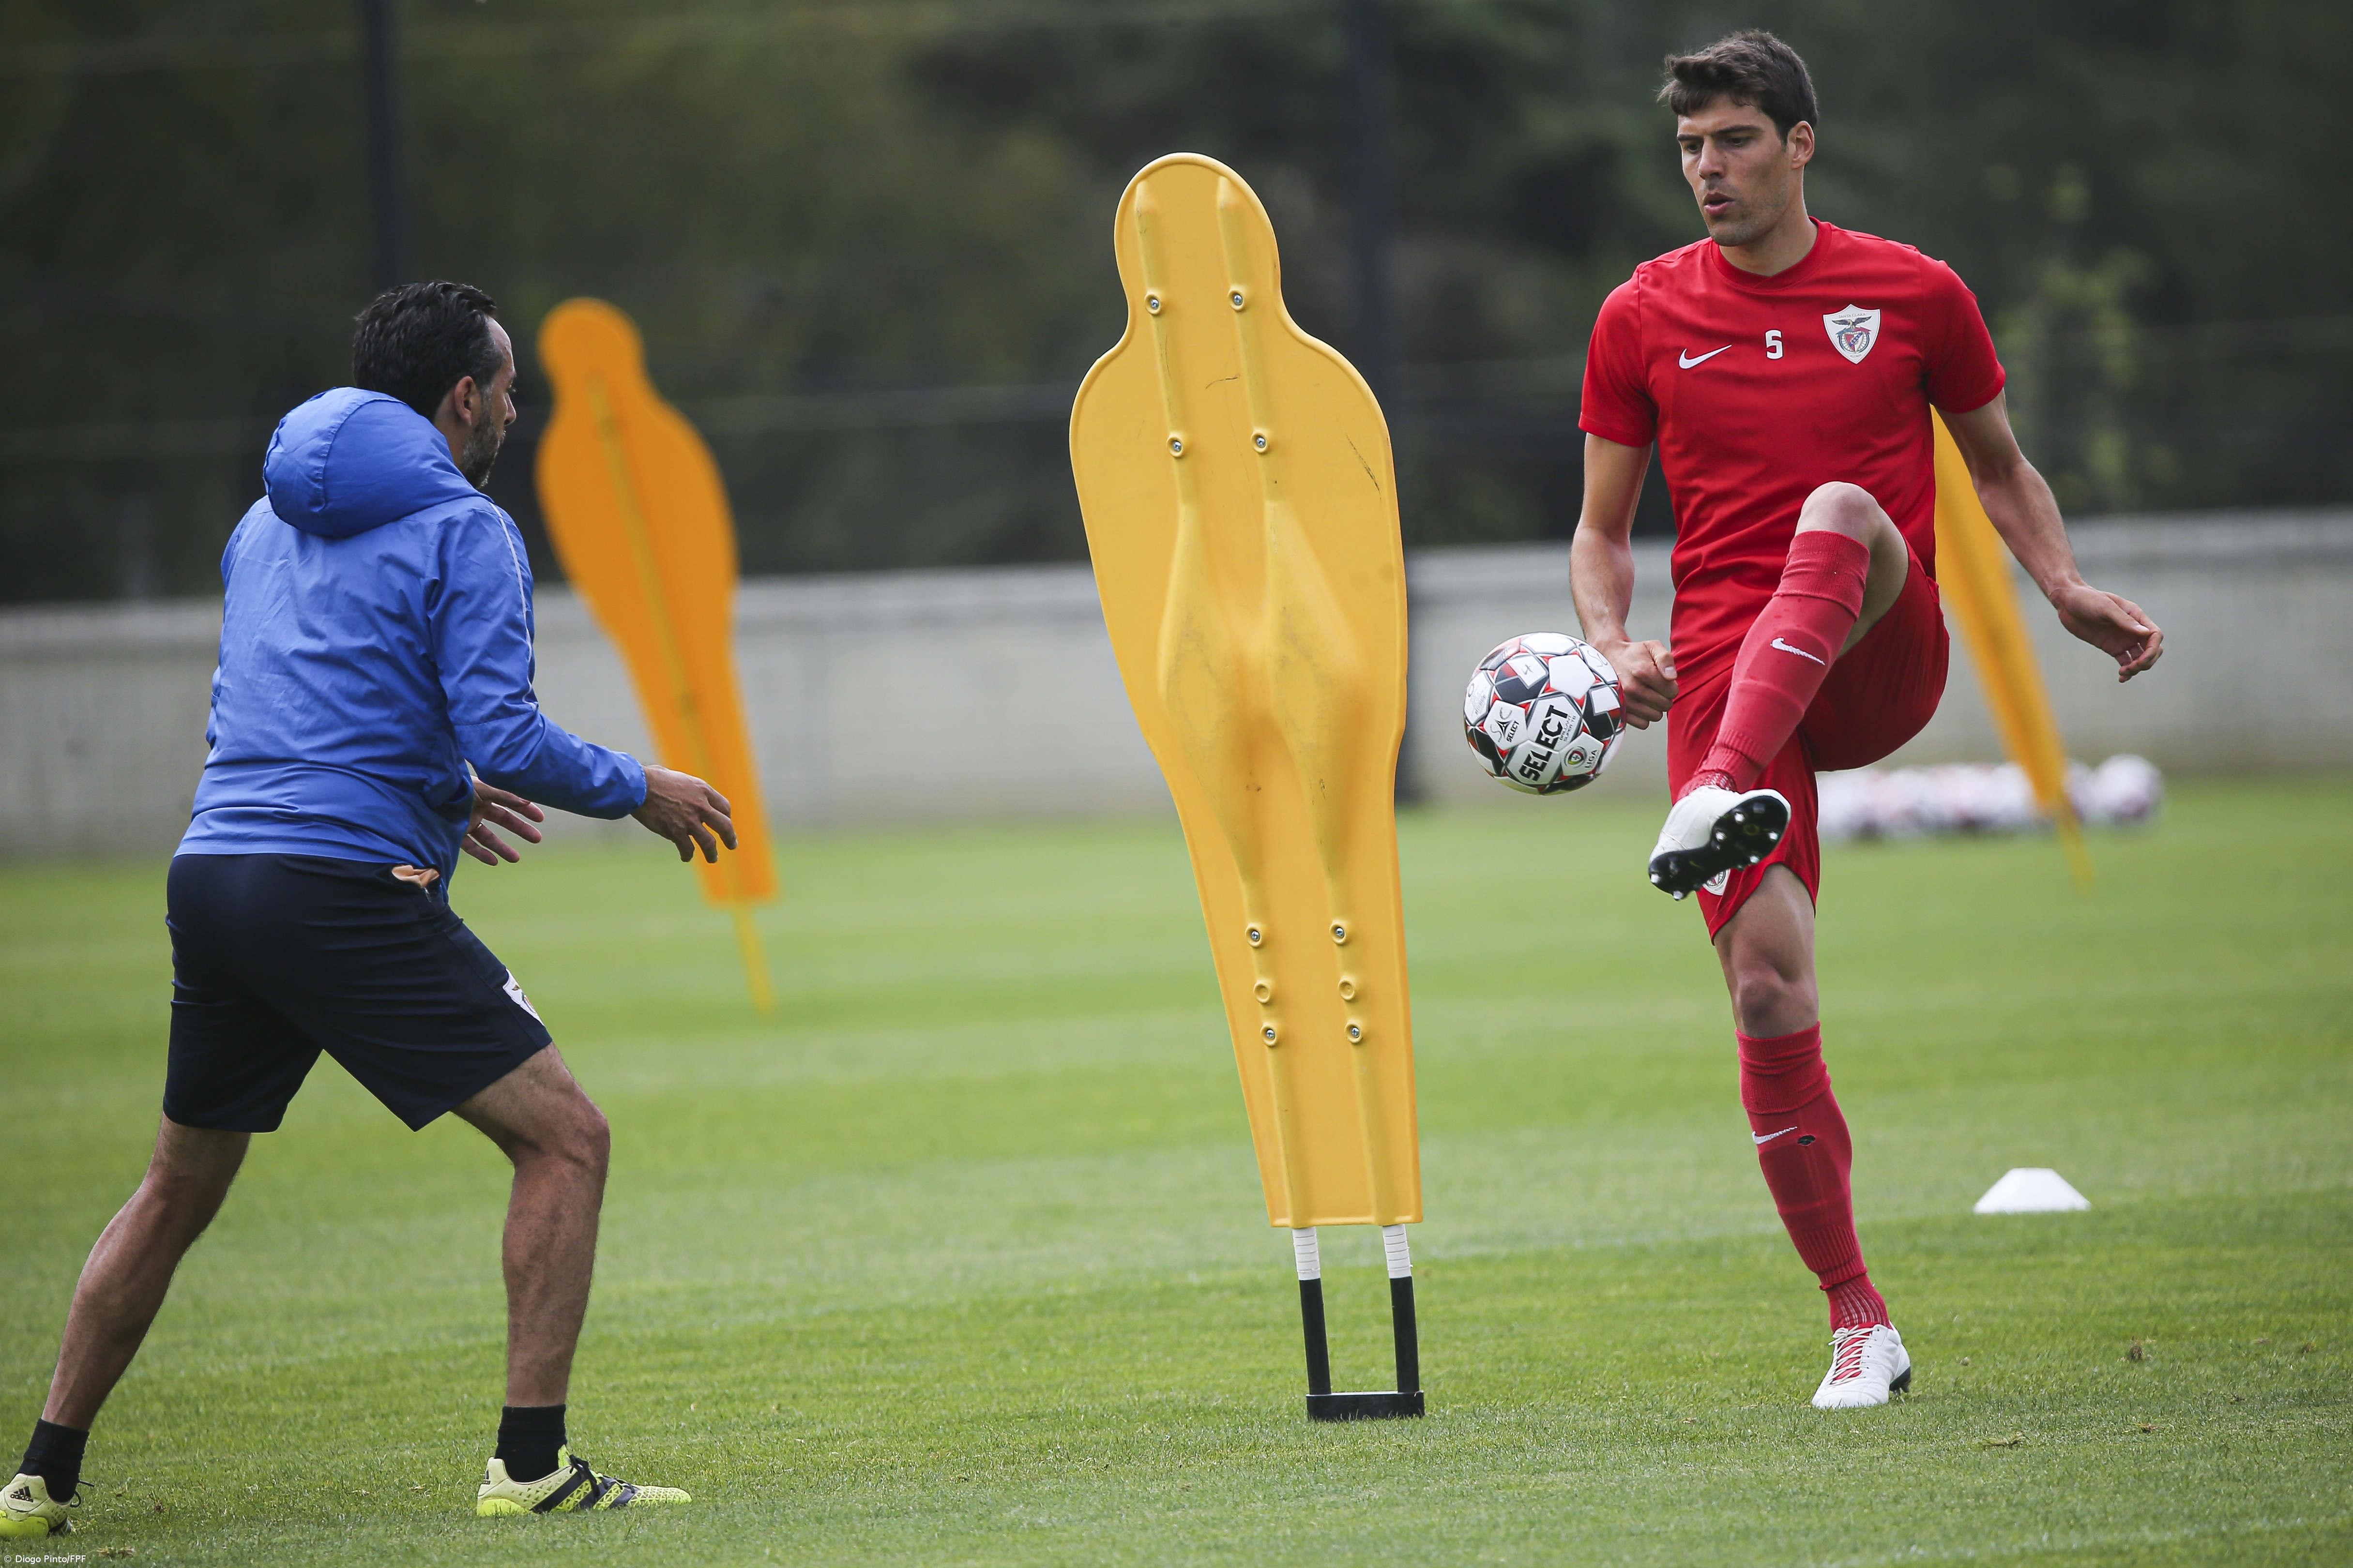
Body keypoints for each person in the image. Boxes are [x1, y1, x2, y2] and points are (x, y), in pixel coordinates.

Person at [1, 282, 739, 1537]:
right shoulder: (468, 530)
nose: (516, 403)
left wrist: (441, 790)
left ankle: (36, 1481)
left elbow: (296, 708)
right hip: (341, 890)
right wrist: (642, 788)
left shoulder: (262, 523)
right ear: (463, 397)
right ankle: (531, 1467)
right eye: (507, 384)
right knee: (569, 1139)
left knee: (178, 1185)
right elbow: (506, 729)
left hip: (218, 873)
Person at [1570, 33, 2162, 1408]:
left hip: (1879, 650)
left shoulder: (1912, 293)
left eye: (1731, 141)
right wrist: (1611, 646)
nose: (1706, 169)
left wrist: (2063, 586)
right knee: (1767, 990)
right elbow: (1600, 536)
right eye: (1690, 147)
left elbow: (2001, 470)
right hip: (1728, 672)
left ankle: (1716, 788)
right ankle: (1859, 1321)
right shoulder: (1641, 315)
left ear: (1799, 145)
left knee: (1841, 508)